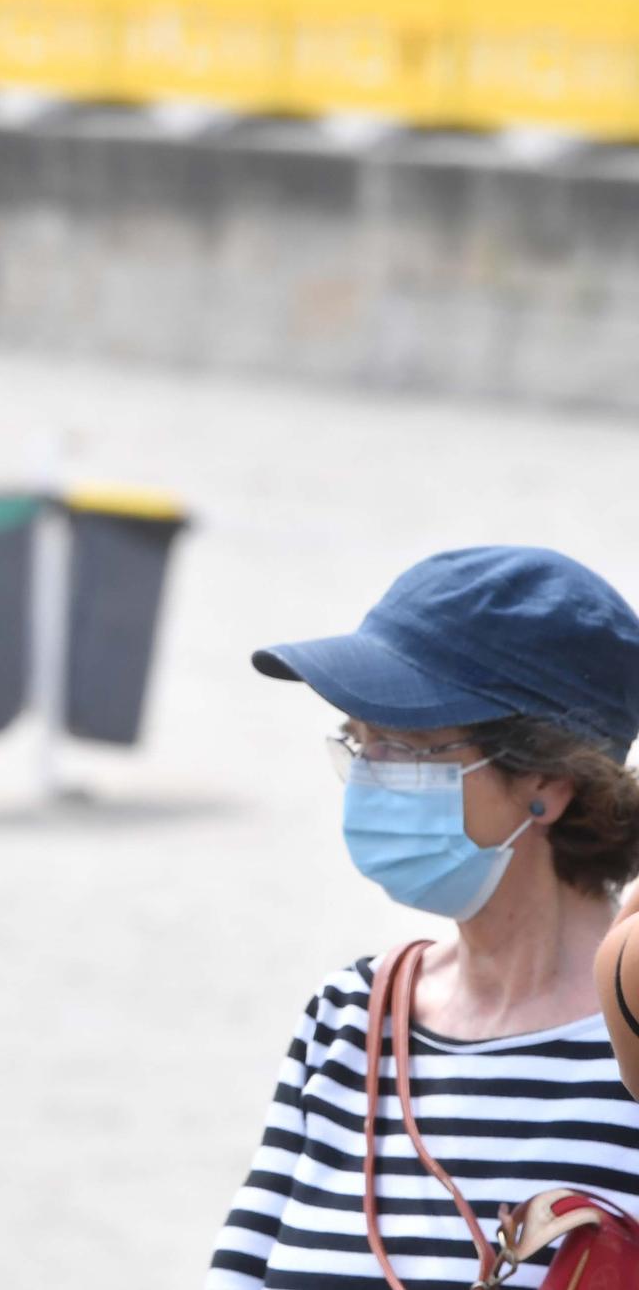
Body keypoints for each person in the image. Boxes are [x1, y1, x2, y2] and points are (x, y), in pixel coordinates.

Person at [207, 546, 639, 1289]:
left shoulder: (630, 1042)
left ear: (548, 780)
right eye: (359, 740)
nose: (369, 775)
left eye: (405, 746)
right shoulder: (348, 1019)